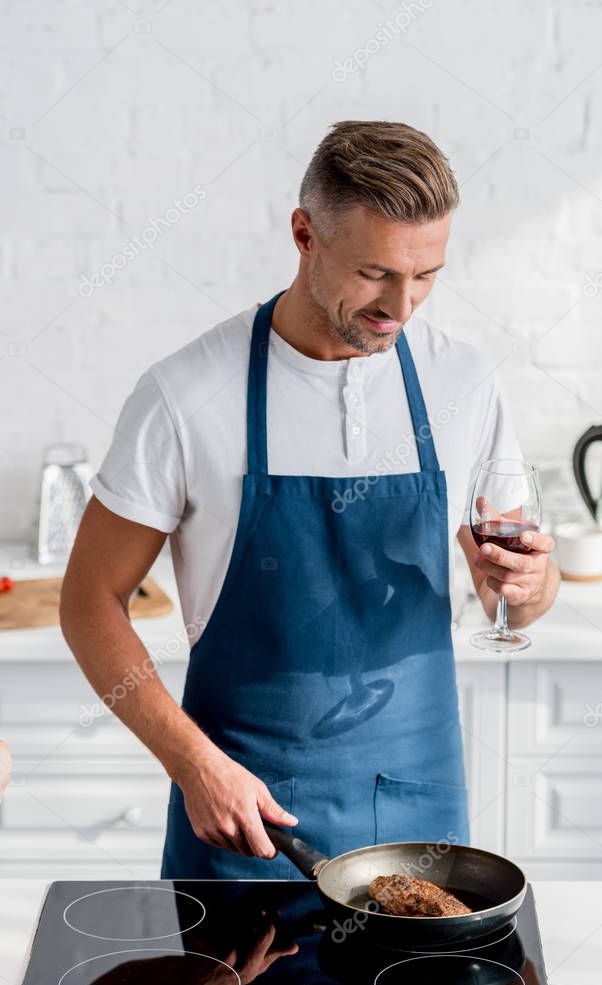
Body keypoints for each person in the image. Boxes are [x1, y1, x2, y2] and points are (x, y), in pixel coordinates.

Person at [60, 120, 560, 879]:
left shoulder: (464, 384)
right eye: (374, 273)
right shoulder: (187, 393)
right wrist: (193, 764)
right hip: (247, 817)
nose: (401, 305)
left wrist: (527, 589)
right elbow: (89, 600)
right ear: (303, 234)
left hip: (418, 817)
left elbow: (516, 591)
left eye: (425, 275)